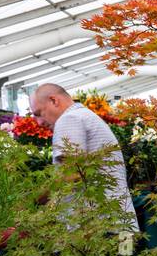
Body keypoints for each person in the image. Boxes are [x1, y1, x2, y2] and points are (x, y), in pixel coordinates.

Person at [31, 83, 139, 232]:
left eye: (38, 113)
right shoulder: (85, 115)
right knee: (126, 253)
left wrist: (35, 199)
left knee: (118, 255)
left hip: (101, 230)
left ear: (54, 100)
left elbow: (72, 175)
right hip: (123, 225)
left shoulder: (69, 119)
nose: (39, 123)